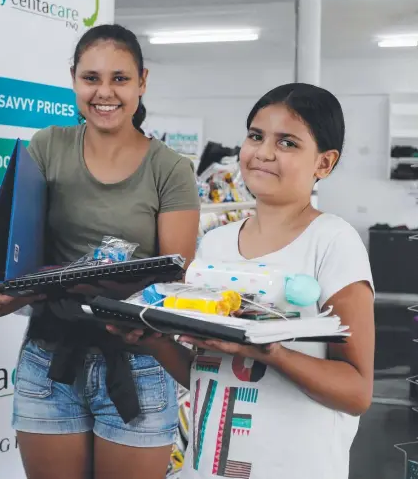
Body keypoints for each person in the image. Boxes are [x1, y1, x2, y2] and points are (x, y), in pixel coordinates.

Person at [0, 24, 200, 479]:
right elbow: (16, 257)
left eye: (120, 78)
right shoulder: (46, 147)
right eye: (91, 78)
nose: (104, 92)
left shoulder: (170, 169)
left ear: (142, 82)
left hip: (138, 365)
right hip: (49, 360)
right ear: (73, 78)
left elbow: (173, 285)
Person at [110, 83, 375, 479]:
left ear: (324, 163)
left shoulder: (333, 242)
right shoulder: (215, 244)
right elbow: (208, 371)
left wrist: (269, 351)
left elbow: (356, 392)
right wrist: (155, 342)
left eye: (287, 143)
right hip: (207, 467)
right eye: (256, 136)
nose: (263, 152)